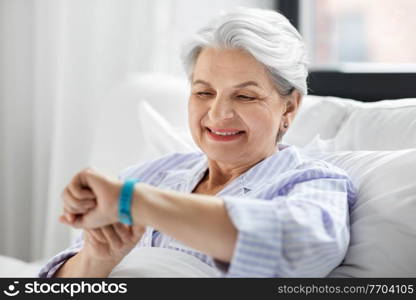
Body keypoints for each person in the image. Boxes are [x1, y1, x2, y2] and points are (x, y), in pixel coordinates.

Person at [38, 7, 357, 278]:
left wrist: (137, 203)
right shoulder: (149, 175)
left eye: (245, 96)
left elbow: (302, 247)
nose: (218, 113)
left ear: (289, 107)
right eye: (204, 92)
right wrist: (98, 257)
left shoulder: (313, 181)